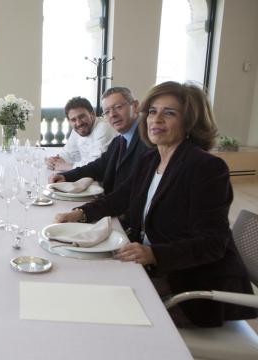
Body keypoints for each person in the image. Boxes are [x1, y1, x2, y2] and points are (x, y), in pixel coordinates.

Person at [55, 82, 257, 327]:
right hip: (155, 271)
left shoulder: (206, 169)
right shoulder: (151, 158)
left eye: (169, 113)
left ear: (189, 121)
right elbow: (121, 197)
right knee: (79, 284)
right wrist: (79, 214)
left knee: (97, 314)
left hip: (191, 288)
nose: (156, 119)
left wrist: (153, 254)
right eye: (153, 111)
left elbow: (212, 244)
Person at [50, 87, 150, 195]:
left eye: (118, 107)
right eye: (107, 111)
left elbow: (132, 191)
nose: (112, 115)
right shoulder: (120, 140)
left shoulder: (148, 140)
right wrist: (65, 176)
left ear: (135, 106)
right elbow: (98, 166)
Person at [46, 96, 117, 171]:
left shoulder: (103, 127)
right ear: (69, 122)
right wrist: (53, 161)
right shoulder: (77, 129)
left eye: (82, 117)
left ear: (92, 114)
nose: (79, 123)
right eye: (73, 119)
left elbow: (95, 165)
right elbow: (67, 153)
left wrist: (66, 166)